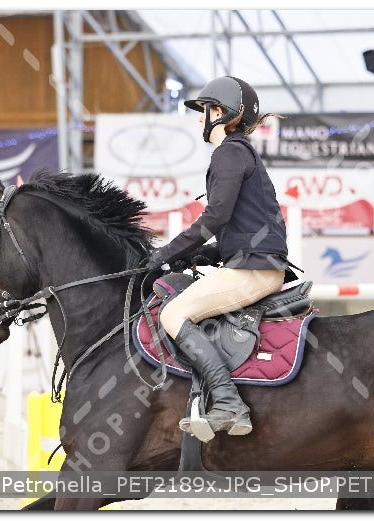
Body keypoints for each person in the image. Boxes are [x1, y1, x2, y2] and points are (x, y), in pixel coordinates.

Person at [144, 76, 289, 437]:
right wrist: (201, 255)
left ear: (221, 113)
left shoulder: (229, 153)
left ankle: (228, 402)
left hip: (254, 268)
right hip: (254, 261)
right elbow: (233, 228)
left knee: (173, 313)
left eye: (204, 111)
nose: (199, 119)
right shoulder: (239, 152)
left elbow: (215, 218)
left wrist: (165, 253)